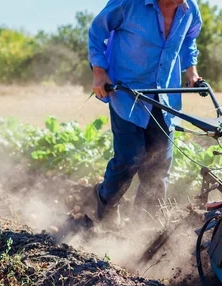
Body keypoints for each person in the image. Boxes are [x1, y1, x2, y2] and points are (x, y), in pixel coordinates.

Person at [88, 0, 203, 224]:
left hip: (165, 96)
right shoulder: (129, 3)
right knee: (129, 158)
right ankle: (104, 208)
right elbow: (97, 30)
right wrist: (99, 72)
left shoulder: (190, 9)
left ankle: (144, 228)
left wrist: (192, 72)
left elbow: (189, 39)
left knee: (158, 166)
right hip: (127, 93)